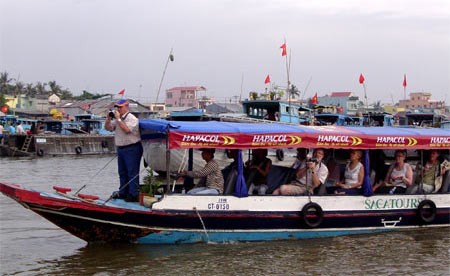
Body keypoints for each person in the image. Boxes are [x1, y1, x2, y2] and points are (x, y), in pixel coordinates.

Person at [105, 99, 143, 202]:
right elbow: (108, 128)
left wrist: (118, 119)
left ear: (126, 107)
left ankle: (133, 194)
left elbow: (127, 130)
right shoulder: (119, 119)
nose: (118, 109)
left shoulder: (132, 118)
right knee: (122, 172)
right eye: (117, 107)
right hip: (121, 148)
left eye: (120, 107)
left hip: (132, 148)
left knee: (132, 172)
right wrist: (108, 119)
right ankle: (123, 192)